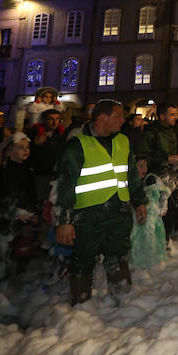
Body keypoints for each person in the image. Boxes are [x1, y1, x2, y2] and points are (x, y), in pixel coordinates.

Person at [54, 100, 147, 306]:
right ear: (102, 118)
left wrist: (139, 201)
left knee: (118, 255)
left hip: (118, 212)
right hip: (87, 215)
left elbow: (131, 175)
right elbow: (65, 186)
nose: (123, 120)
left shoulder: (123, 140)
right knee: (83, 260)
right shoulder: (77, 145)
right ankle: (81, 302)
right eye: (119, 116)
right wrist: (64, 221)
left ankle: (122, 297)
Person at [0, 133, 38, 280]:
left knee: (21, 252)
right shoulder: (0, 174)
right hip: (4, 222)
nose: (25, 150)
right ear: (9, 151)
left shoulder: (28, 171)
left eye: (27, 147)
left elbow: (31, 194)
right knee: (3, 255)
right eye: (20, 147)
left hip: (23, 220)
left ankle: (15, 280)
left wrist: (32, 211)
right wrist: (14, 211)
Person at [136, 103, 178, 238]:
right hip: (155, 178)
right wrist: (166, 159)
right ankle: (156, 242)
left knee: (171, 211)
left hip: (172, 178)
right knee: (157, 212)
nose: (175, 117)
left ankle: (166, 240)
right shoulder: (151, 132)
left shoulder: (174, 131)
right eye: (172, 114)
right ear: (162, 116)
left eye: (175, 114)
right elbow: (143, 154)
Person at [129, 158, 168, 269]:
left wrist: (162, 203)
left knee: (152, 241)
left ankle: (153, 262)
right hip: (138, 222)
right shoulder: (131, 184)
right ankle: (140, 264)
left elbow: (163, 193)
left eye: (145, 165)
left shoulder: (151, 179)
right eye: (140, 166)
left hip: (152, 222)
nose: (144, 169)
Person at [28, 109, 66, 204]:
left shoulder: (61, 134)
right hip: (42, 175)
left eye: (57, 119)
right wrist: (36, 146)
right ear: (44, 120)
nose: (54, 122)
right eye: (51, 119)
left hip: (56, 174)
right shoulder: (36, 133)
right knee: (42, 201)